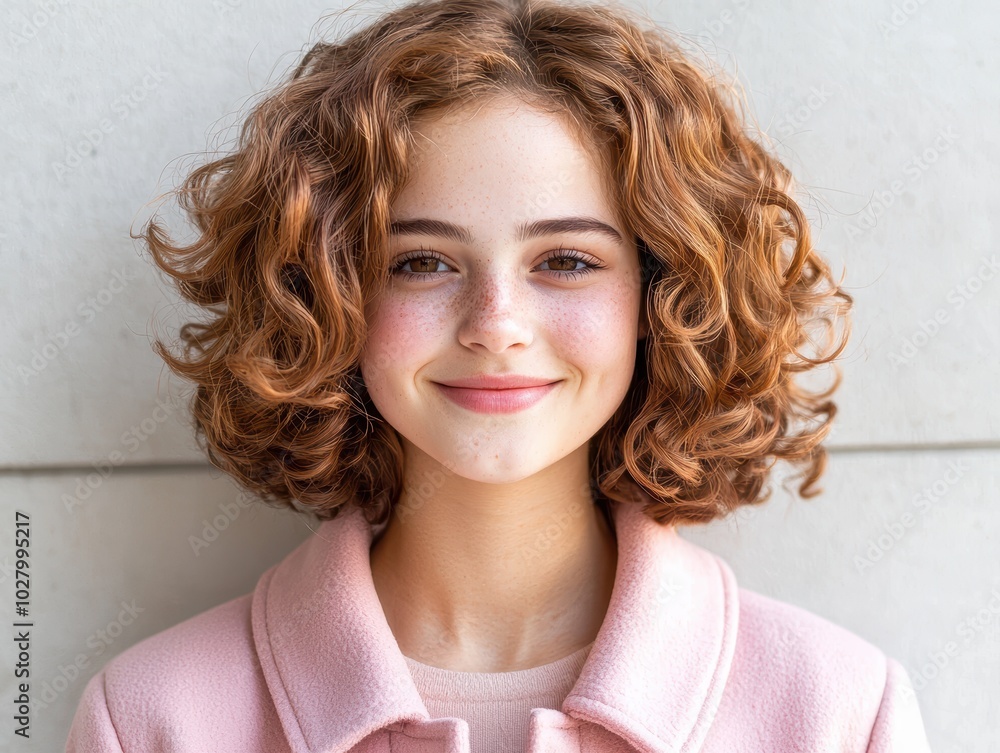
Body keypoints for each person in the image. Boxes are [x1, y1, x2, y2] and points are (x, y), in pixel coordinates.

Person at [65, 0, 934, 750]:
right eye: (421, 263)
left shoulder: (841, 715)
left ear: (663, 294)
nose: (496, 327)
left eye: (564, 259)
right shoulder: (150, 722)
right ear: (326, 292)